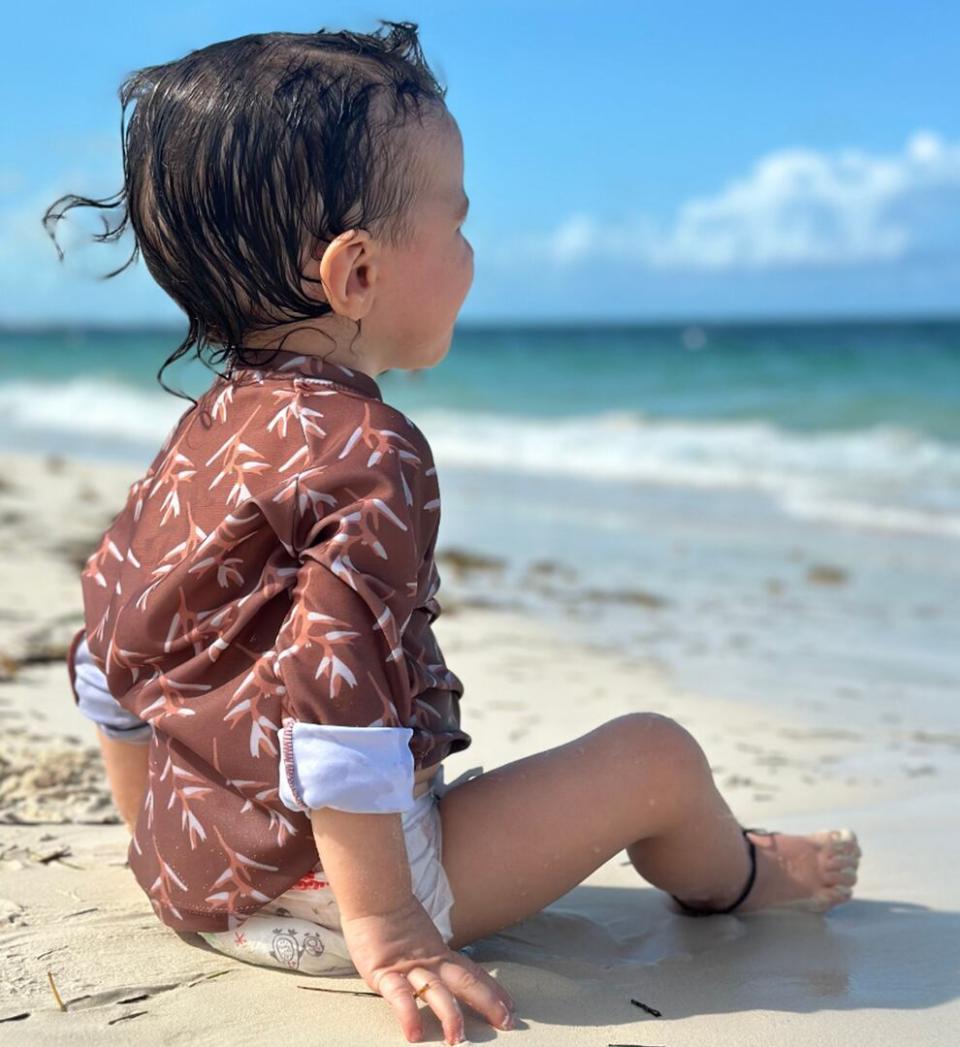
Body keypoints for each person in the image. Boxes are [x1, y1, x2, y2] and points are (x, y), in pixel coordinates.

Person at [49, 21, 861, 1046]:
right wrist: (390, 927)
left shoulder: (205, 430)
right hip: (341, 902)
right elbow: (335, 695)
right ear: (356, 275)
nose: (474, 253)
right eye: (458, 223)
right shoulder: (369, 449)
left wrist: (154, 837)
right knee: (656, 757)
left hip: (188, 873)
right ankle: (740, 878)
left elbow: (109, 639)